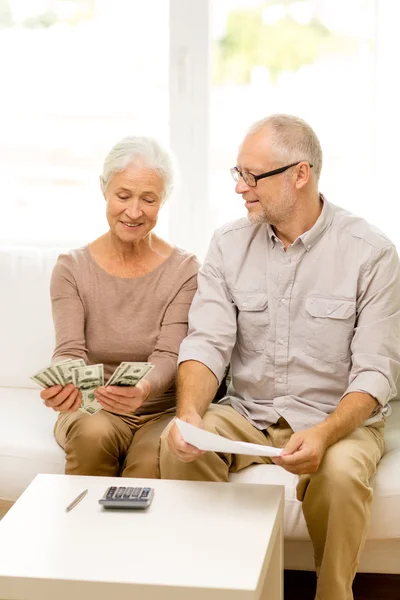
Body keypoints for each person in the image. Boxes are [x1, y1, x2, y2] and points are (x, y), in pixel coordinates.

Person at [159, 115, 400, 600]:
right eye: (238, 174)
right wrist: (188, 416)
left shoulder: (371, 254)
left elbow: (375, 372)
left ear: (300, 174)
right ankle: (216, 588)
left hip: (337, 420)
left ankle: (333, 594)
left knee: (342, 475)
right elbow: (207, 343)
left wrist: (326, 432)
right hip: (249, 412)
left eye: (253, 176)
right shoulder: (228, 245)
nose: (240, 188)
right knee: (179, 445)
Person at [40, 136, 199, 478]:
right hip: (93, 408)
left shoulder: (184, 270)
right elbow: (69, 350)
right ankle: (82, 531)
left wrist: (141, 389)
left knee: (152, 462)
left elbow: (169, 356)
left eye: (149, 199)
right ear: (104, 190)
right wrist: (64, 383)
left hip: (159, 410)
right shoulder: (71, 268)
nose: (134, 211)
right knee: (92, 435)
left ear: (164, 199)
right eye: (123, 196)